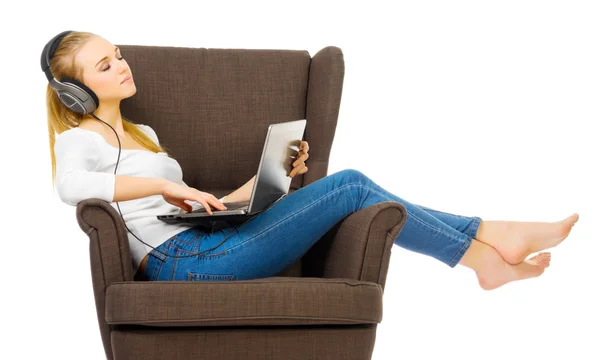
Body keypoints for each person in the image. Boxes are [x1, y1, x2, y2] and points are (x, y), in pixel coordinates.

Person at [48, 32, 579, 291]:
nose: (121, 65)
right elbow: (71, 187)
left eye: (118, 54)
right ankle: (484, 247)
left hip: (209, 241)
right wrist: (159, 188)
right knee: (349, 185)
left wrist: (270, 180)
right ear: (74, 91)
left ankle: (486, 244)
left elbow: (209, 205)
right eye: (104, 64)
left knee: (338, 186)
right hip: (183, 264)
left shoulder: (144, 135)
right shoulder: (81, 138)